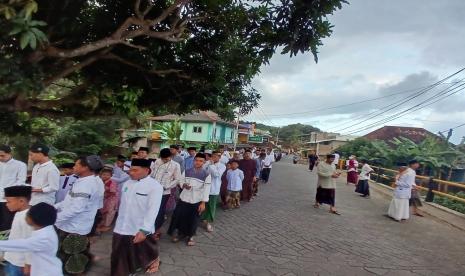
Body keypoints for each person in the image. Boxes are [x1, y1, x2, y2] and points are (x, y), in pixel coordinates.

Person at [111, 158, 163, 276]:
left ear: (146, 170)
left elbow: (153, 210)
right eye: (130, 169)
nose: (130, 172)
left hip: (139, 227)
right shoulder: (127, 183)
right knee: (118, 253)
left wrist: (144, 230)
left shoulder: (155, 186)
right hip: (121, 226)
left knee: (141, 251)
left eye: (135, 170)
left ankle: (153, 260)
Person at [54, 155, 104, 274]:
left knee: (69, 261)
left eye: (76, 164)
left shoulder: (86, 184)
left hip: (73, 228)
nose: (73, 166)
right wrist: (53, 208)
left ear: (85, 168)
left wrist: (55, 218)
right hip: (74, 225)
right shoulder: (85, 181)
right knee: (74, 256)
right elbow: (68, 201)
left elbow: (76, 209)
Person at [0, 202, 63, 276]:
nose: (25, 215)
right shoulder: (45, 228)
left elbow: (19, 245)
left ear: (34, 220)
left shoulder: (43, 238)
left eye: (28, 214)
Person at [168, 153, 211, 246]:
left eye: (201, 161)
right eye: (196, 160)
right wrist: (183, 185)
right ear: (193, 161)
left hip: (197, 200)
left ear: (204, 162)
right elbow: (181, 180)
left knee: (193, 219)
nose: (198, 162)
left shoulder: (206, 174)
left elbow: (207, 189)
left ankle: (190, 236)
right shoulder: (187, 171)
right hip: (184, 198)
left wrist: (203, 203)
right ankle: (180, 234)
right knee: (180, 217)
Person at [150, 148, 181, 239]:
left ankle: (156, 230)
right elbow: (151, 173)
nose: (164, 160)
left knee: (160, 211)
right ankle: (148, 228)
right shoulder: (157, 161)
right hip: (152, 190)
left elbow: (177, 179)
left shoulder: (175, 165)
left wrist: (167, 186)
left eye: (166, 159)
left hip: (164, 192)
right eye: (163, 158)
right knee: (151, 209)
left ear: (171, 156)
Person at [2, 186, 33, 276]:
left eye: (9, 201)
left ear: (21, 201)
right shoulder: (19, 213)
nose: (6, 204)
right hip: (12, 259)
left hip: (19, 263)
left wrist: (28, 264)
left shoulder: (28, 218)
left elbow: (29, 243)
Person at [0, 145, 27, 231]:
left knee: (7, 223)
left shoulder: (20, 165)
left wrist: (8, 194)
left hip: (8, 201)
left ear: (10, 153)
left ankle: (6, 243)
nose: (0, 158)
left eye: (2, 155)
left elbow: (20, 182)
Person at [201, 151, 226, 232]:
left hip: (213, 189)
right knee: (203, 204)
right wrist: (207, 164)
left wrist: (211, 165)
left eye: (216, 156)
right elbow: (202, 171)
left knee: (211, 206)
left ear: (219, 157)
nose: (213, 158)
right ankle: (203, 218)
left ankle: (209, 222)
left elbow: (216, 175)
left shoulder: (222, 166)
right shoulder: (207, 163)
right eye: (212, 156)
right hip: (204, 188)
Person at [98, 168, 119, 232]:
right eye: (104, 174)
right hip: (104, 199)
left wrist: (105, 195)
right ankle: (103, 223)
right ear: (100, 175)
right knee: (103, 211)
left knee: (110, 212)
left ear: (111, 175)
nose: (105, 176)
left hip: (112, 199)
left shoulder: (112, 182)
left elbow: (113, 192)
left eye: (108, 175)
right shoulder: (100, 181)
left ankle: (107, 226)